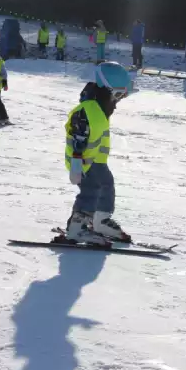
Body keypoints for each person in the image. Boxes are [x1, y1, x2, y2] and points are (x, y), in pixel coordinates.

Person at [64, 61, 132, 244]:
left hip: (96, 161)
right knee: (91, 191)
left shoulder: (99, 109)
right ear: (106, 91)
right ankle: (77, 228)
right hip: (83, 162)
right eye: (117, 95)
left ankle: (100, 221)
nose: (117, 101)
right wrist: (76, 163)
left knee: (106, 186)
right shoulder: (87, 110)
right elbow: (78, 136)